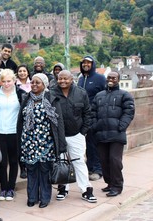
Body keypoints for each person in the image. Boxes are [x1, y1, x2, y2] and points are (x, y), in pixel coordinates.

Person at [17, 73, 66, 208]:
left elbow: (59, 122)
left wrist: (62, 145)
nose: (34, 85)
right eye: (32, 82)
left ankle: (45, 198)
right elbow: (20, 121)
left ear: (44, 84)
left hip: (46, 143)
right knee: (31, 170)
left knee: (45, 171)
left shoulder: (51, 99)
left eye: (37, 83)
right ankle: (32, 197)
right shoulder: (26, 98)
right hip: (29, 142)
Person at [51, 70, 97, 203]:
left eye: (66, 79)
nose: (62, 81)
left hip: (76, 134)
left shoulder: (81, 93)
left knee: (79, 162)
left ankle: (86, 190)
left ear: (72, 79)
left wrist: (83, 131)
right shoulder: (52, 93)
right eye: (60, 79)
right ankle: (63, 188)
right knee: (60, 163)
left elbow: (87, 113)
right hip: (58, 136)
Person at [91, 71, 135, 197]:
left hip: (116, 134)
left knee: (115, 160)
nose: (111, 79)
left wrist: (121, 126)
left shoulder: (124, 95)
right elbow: (93, 112)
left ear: (118, 80)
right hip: (101, 133)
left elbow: (129, 112)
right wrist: (95, 126)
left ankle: (117, 186)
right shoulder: (99, 95)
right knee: (104, 160)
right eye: (109, 77)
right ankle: (110, 183)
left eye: (114, 78)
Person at [0, 69, 26, 201]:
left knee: (13, 161)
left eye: (9, 81)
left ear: (14, 81)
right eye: (4, 81)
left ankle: (11, 188)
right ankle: (3, 188)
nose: (6, 84)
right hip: (0, 132)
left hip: (15, 132)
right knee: (2, 161)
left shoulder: (20, 94)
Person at [77, 55, 106, 181]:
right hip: (82, 116)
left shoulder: (99, 78)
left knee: (95, 143)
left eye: (88, 63)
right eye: (84, 63)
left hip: (95, 115)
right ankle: (89, 168)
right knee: (86, 144)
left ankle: (98, 169)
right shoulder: (81, 78)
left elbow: (106, 95)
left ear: (93, 64)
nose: (86, 65)